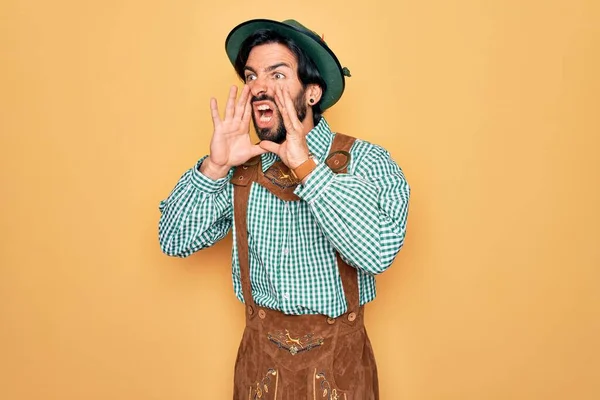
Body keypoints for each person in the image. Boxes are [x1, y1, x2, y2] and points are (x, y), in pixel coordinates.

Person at [158, 18, 410, 399]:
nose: (259, 87)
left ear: (311, 93)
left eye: (277, 74)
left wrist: (307, 168)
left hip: (339, 375)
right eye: (251, 76)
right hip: (260, 372)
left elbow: (377, 252)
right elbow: (173, 240)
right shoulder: (238, 168)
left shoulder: (368, 162)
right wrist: (215, 167)